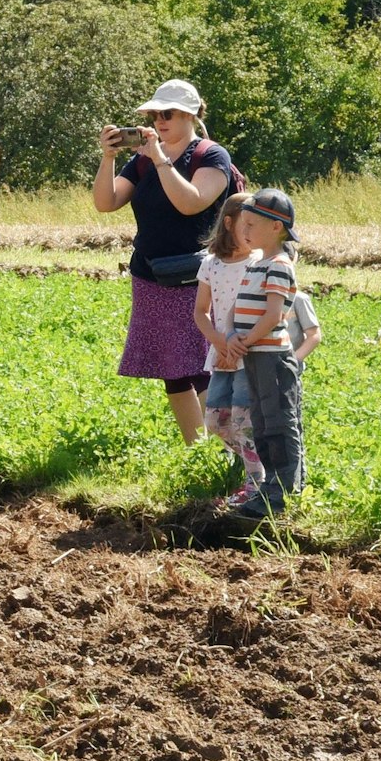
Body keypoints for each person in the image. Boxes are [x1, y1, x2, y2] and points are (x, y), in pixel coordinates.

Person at [92, 79, 239, 443]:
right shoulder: (141, 161)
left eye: (168, 113)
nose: (160, 120)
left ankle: (229, 447)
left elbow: (191, 203)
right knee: (171, 369)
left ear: (190, 115)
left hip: (197, 278)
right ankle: (195, 448)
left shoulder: (210, 156)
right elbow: (106, 202)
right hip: (151, 276)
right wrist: (109, 157)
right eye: (155, 114)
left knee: (201, 364)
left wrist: (160, 159)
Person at [228, 189, 305, 519]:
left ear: (276, 227)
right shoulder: (255, 265)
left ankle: (283, 492)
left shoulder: (279, 266)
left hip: (272, 358)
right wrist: (232, 336)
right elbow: (238, 309)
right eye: (243, 224)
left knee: (278, 422)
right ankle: (271, 485)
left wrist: (244, 341)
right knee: (261, 421)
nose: (245, 232)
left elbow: (274, 315)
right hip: (255, 355)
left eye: (252, 225)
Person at [194, 193, 265, 505]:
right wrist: (219, 343)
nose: (252, 232)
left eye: (257, 226)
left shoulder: (259, 262)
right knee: (215, 421)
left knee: (242, 420)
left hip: (248, 353)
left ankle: (256, 485)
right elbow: (201, 311)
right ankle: (260, 464)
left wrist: (237, 345)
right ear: (228, 223)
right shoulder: (210, 264)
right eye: (247, 224)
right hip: (221, 353)